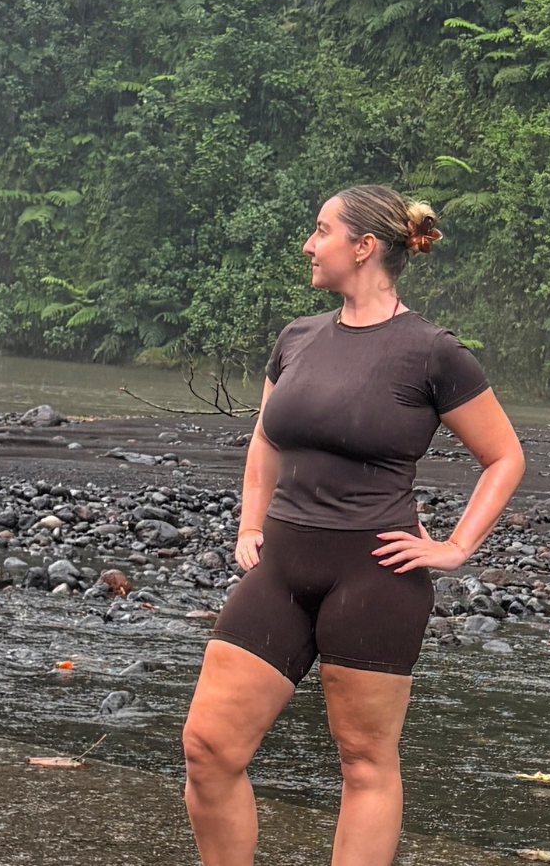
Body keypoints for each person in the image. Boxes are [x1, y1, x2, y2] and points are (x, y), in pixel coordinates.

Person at [180, 185, 527, 866]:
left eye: (321, 232)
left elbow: (504, 455)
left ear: (363, 246)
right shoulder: (299, 338)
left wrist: (455, 546)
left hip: (375, 577)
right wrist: (250, 523)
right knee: (208, 746)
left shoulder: (431, 352)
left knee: (365, 763)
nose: (309, 245)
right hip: (281, 567)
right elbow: (265, 440)